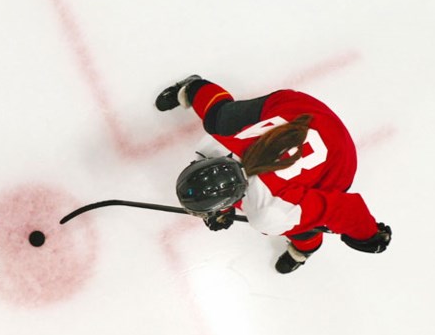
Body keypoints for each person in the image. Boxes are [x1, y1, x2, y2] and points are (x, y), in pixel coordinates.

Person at [155, 75, 392, 273]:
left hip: (338, 160)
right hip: (299, 109)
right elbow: (235, 184)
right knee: (220, 118)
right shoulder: (213, 149)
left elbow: (343, 209)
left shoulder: (270, 210)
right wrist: (223, 208)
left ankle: (302, 251)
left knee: (301, 226)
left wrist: (368, 235)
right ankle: (193, 89)